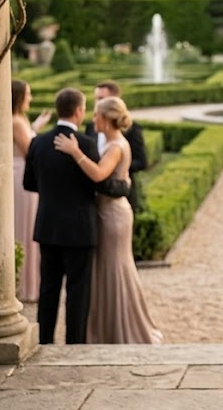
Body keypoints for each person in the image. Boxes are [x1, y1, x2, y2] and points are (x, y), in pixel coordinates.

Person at [55, 96, 162, 345]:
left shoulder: (115, 146)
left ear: (106, 118)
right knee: (108, 269)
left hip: (112, 214)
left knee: (114, 268)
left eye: (96, 115)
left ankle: (121, 329)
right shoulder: (115, 142)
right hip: (110, 211)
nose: (93, 120)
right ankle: (108, 327)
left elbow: (100, 175)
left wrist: (75, 152)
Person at [23, 87, 99, 343]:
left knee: (48, 289)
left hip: (49, 226)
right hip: (80, 228)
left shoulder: (38, 142)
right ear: (79, 111)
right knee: (78, 291)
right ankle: (74, 344)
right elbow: (96, 185)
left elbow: (28, 183)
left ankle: (44, 341)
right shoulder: (87, 144)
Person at [11, 80, 52, 302]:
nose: (31, 98)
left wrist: (35, 127)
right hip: (20, 176)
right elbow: (31, 151)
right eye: (28, 94)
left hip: (20, 172)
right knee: (25, 226)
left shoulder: (19, 119)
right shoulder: (16, 120)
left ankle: (26, 283)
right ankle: (26, 286)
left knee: (25, 225)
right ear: (19, 96)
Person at [86, 80, 148, 213]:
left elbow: (142, 161)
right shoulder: (92, 127)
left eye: (101, 98)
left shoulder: (132, 129)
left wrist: (115, 166)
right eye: (96, 98)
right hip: (94, 199)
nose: (97, 102)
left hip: (119, 195)